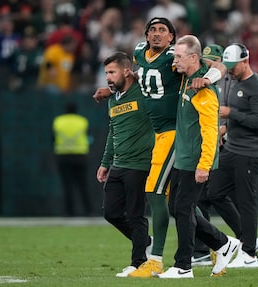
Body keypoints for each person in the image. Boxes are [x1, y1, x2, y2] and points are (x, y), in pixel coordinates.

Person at [93, 17, 227, 278]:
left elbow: (218, 64)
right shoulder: (140, 52)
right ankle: (220, 242)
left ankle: (155, 259)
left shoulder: (175, 57)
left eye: (162, 30)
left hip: (173, 132)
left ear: (171, 37)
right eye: (152, 29)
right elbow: (137, 77)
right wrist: (112, 89)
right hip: (158, 134)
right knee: (175, 201)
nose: (156, 34)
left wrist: (209, 78)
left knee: (154, 192)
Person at [157, 35, 240, 279]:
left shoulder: (203, 90)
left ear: (193, 58)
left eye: (180, 57)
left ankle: (183, 266)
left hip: (195, 159)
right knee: (176, 207)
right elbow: (211, 65)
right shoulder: (188, 76)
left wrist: (204, 165)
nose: (175, 61)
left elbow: (210, 131)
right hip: (184, 156)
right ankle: (224, 243)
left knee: (183, 208)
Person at [192, 44, 258, 267]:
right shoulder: (235, 82)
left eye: (233, 66)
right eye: (228, 67)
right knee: (212, 192)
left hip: (250, 150)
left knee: (246, 200)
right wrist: (225, 128)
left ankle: (250, 253)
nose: (230, 70)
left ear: (246, 61)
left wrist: (231, 115)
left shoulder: (257, 87)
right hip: (232, 148)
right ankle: (246, 239)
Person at [95, 52, 154, 277]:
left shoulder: (143, 92)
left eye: (112, 72)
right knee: (111, 213)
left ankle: (139, 262)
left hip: (140, 164)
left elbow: (153, 76)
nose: (108, 77)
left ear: (127, 71)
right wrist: (105, 162)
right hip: (118, 164)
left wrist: (137, 75)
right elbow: (113, 133)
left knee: (136, 215)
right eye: (106, 73)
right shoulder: (113, 99)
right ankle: (145, 241)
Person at [52, 102, 92, 217]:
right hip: (80, 156)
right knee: (83, 185)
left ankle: (69, 212)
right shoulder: (82, 121)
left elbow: (53, 138)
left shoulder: (58, 121)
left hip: (63, 156)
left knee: (67, 186)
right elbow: (89, 137)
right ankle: (88, 211)